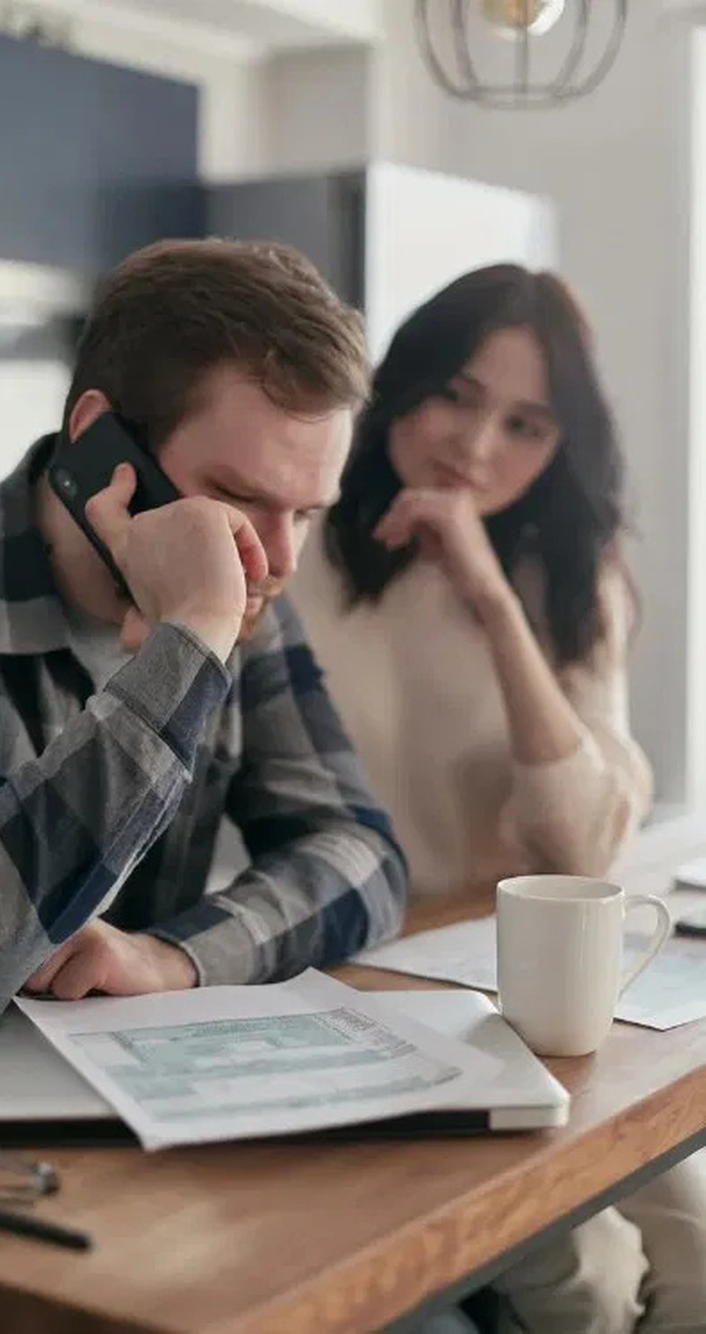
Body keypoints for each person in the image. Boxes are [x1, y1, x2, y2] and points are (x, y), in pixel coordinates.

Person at [0, 237, 409, 1088]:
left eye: (307, 513)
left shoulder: (250, 604)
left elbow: (362, 854)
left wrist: (172, 960)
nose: (277, 557)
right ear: (100, 443)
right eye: (240, 496)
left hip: (115, 1133)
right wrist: (187, 643)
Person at [291, 264, 706, 1333]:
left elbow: (578, 846)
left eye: (524, 423)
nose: (474, 448)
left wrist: (487, 594)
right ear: (403, 383)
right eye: (456, 396)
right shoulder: (300, 550)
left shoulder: (576, 585)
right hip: (362, 990)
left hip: (541, 994)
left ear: (562, 447)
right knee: (590, 1283)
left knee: (702, 1253)